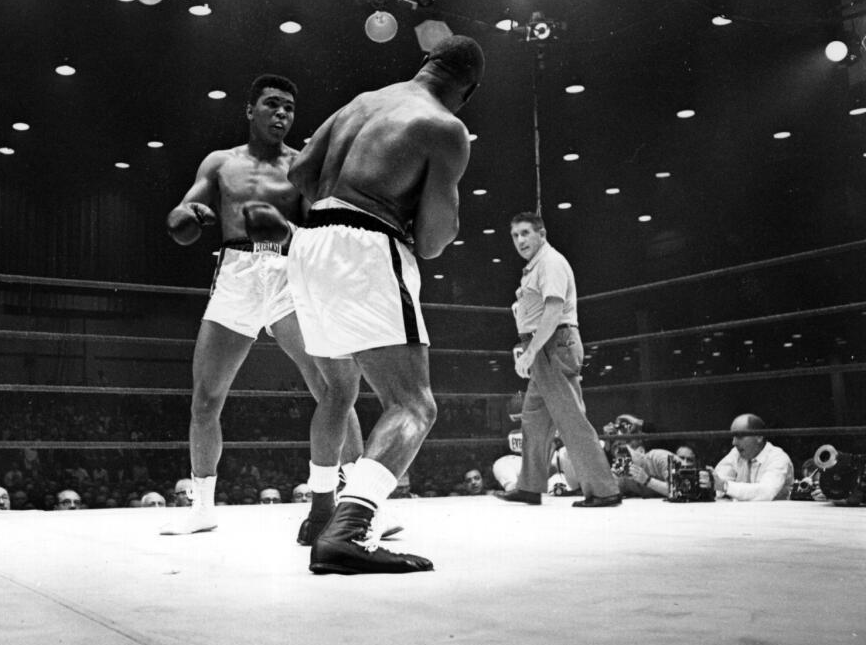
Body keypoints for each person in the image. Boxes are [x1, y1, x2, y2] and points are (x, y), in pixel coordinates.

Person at [284, 34, 484, 574]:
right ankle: (349, 531)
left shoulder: (363, 101)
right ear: (466, 90)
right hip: (364, 244)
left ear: (426, 64)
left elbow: (300, 170)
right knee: (414, 404)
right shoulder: (446, 127)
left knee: (337, 392)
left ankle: (321, 510)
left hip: (308, 244)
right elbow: (436, 238)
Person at [161, 74, 365, 538]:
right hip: (236, 274)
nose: (282, 114)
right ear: (249, 109)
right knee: (206, 397)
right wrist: (187, 218)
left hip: (290, 273)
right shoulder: (221, 163)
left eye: (289, 108)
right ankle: (203, 506)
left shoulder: (301, 165)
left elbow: (324, 229)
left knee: (333, 386)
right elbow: (179, 214)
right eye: (272, 105)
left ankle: (356, 503)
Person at [496, 212, 622, 508]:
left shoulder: (550, 263)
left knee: (571, 419)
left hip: (553, 345)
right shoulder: (536, 266)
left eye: (525, 233)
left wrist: (529, 352)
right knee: (534, 419)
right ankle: (529, 486)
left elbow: (552, 312)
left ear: (542, 233)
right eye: (515, 236)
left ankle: (604, 490)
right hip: (546, 348)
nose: (520, 240)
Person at [707, 413, 794, 501]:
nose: (734, 442)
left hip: (774, 513)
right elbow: (718, 481)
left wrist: (724, 486)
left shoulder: (778, 458)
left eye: (739, 436)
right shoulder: (736, 453)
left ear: (759, 436)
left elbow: (766, 493)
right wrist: (709, 481)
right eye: (733, 437)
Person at [604, 414, 675, 499]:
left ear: (641, 450)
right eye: (618, 454)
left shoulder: (660, 457)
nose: (622, 458)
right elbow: (606, 493)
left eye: (625, 451)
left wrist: (647, 481)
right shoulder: (623, 470)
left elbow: (678, 490)